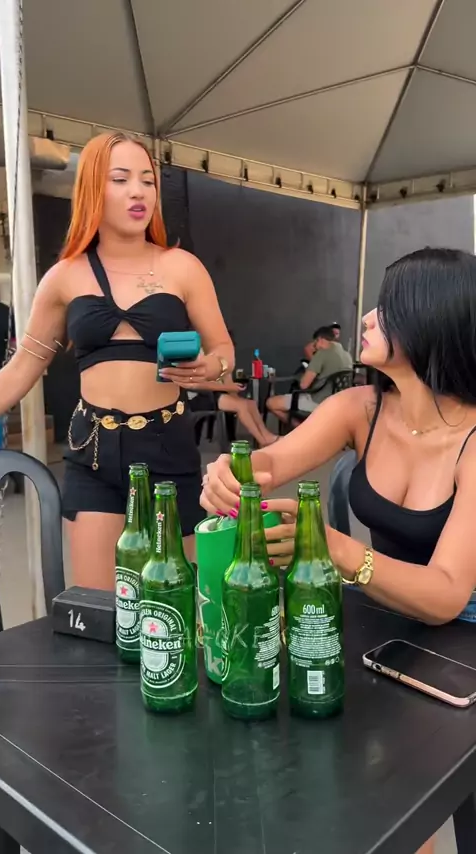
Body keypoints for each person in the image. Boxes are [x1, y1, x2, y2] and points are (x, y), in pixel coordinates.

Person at [201, 247, 476, 854]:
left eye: (388, 306)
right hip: (387, 620)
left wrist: (333, 548)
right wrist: (229, 471)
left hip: (463, 637)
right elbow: (268, 463)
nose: (368, 318)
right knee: (379, 792)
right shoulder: (361, 408)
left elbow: (447, 595)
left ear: (432, 318)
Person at [0, 131, 234, 589]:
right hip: (94, 451)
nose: (138, 192)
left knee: (177, 597)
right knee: (99, 605)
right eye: (121, 179)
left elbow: (224, 349)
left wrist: (212, 368)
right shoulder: (64, 276)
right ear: (92, 189)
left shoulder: (182, 266)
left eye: (148, 180)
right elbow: (22, 367)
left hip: (167, 446)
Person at [267, 325, 353, 423]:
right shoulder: (347, 356)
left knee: (271, 403)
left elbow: (304, 385)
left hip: (318, 402)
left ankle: (301, 430)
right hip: (339, 403)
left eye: (315, 343)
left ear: (320, 340)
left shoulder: (322, 353)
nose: (315, 347)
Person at [190, 371, 278, 447]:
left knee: (251, 404)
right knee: (241, 406)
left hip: (217, 393)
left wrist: (235, 395)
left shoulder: (224, 363)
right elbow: (199, 385)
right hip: (201, 396)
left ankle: (265, 435)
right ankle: (262, 440)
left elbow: (228, 383)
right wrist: (228, 388)